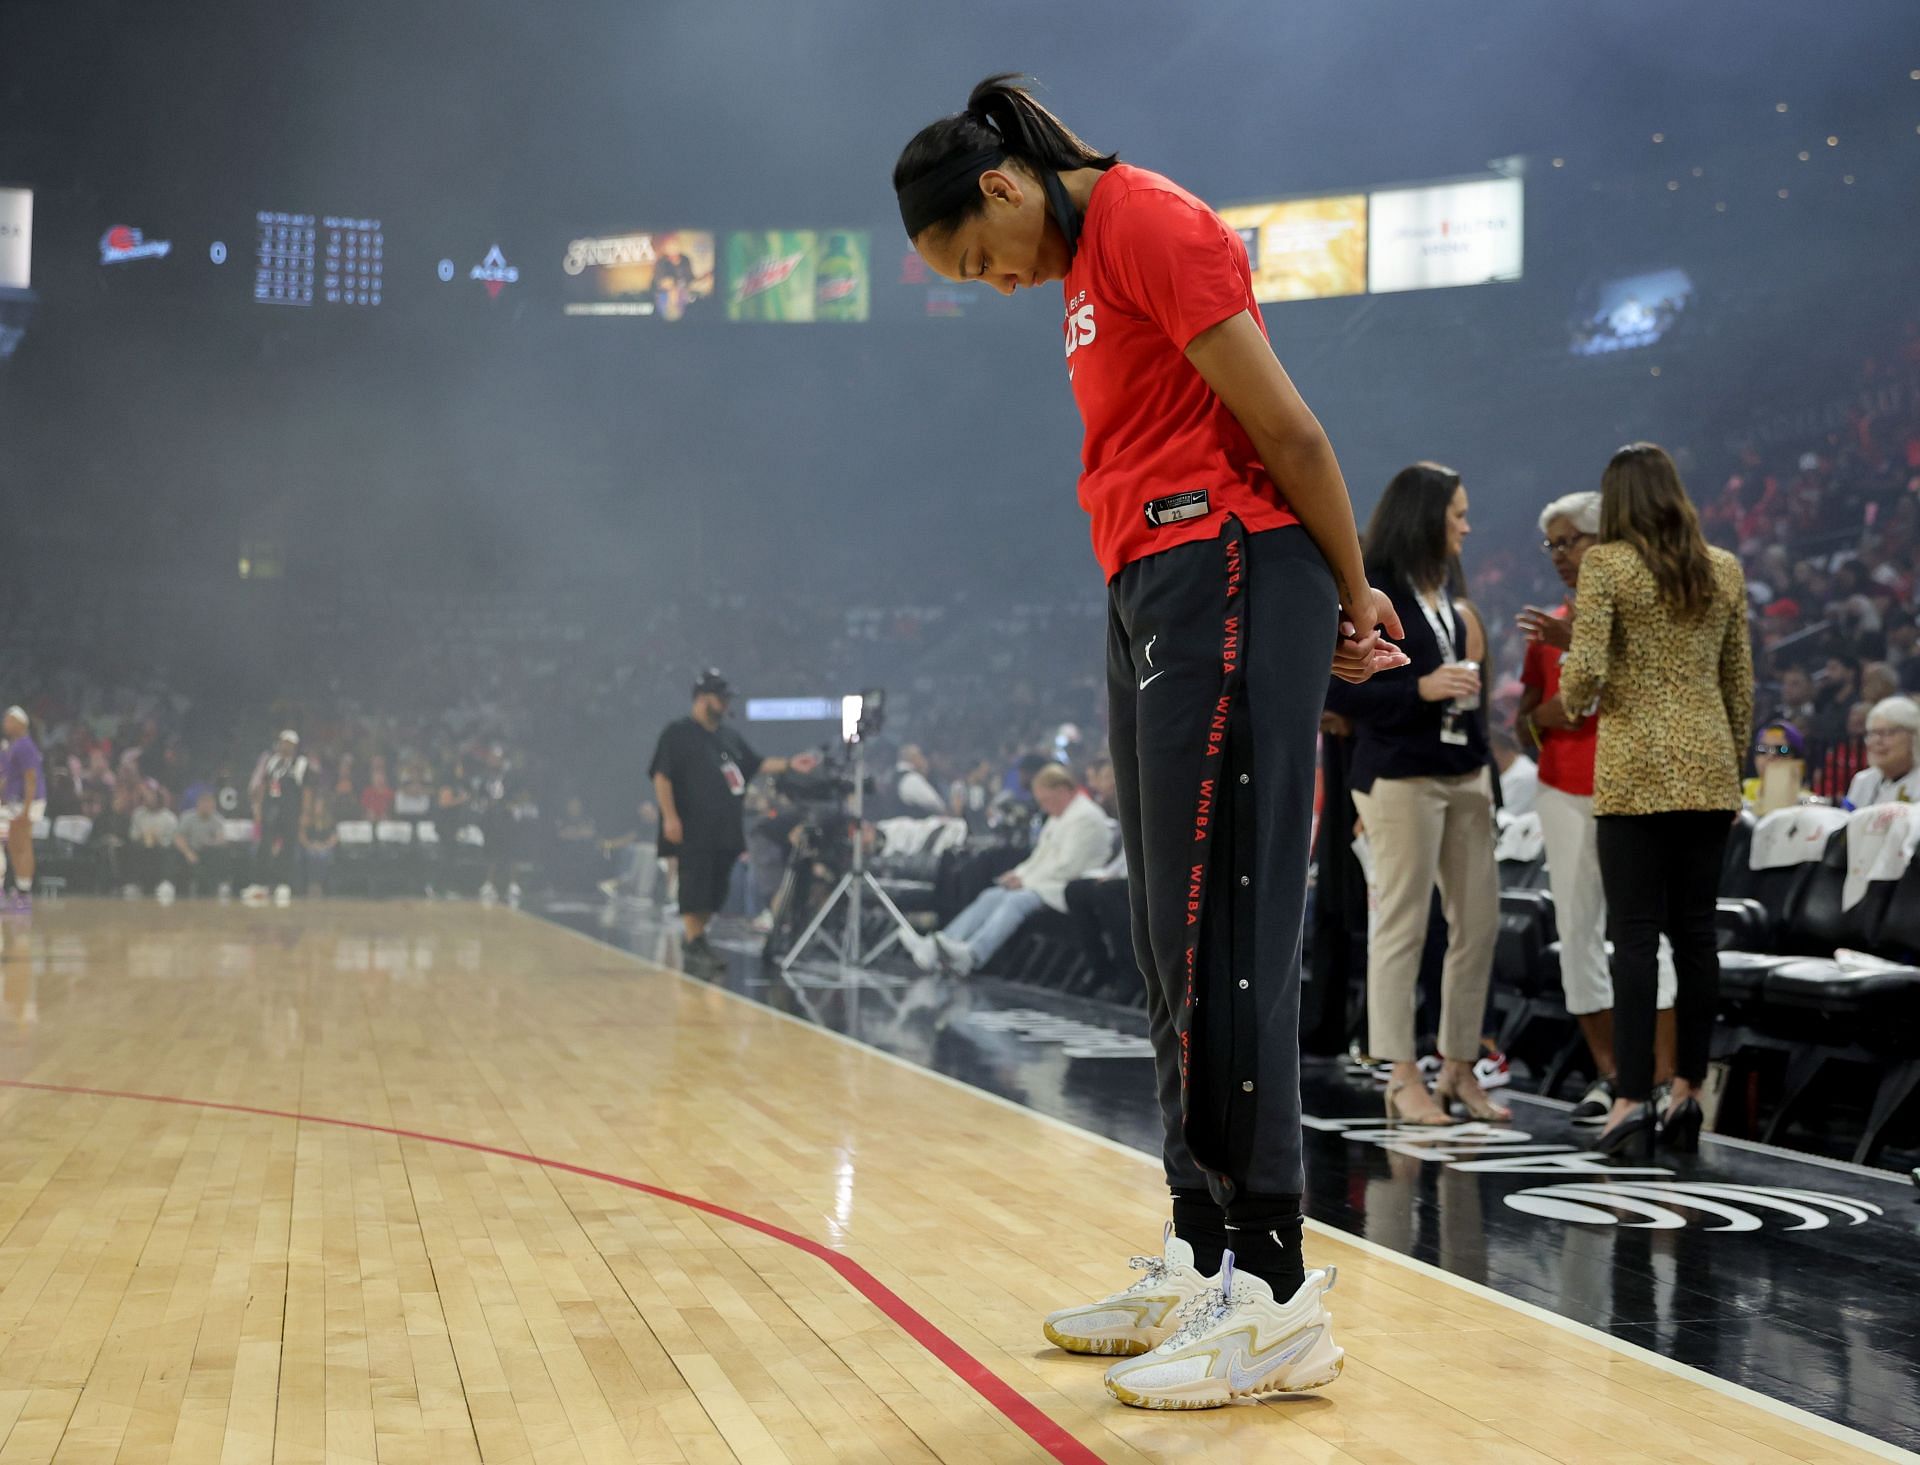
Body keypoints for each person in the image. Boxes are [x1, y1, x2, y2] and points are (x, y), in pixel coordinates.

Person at [893, 74, 1405, 1408]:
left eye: (975, 259)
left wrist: (1355, 597)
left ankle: (1278, 1294)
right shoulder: (1078, 263)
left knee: (1224, 932)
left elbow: (1288, 426)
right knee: (1169, 940)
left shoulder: (1153, 223)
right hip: (1150, 580)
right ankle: (1200, 1255)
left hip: (1234, 561)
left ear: (1001, 187)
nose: (991, 285)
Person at [1550, 443, 1752, 1156]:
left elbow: (1589, 671)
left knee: (1633, 937)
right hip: (1708, 768)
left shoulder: (1607, 564)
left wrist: (1568, 698)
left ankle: (1632, 1095)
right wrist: (1732, 763)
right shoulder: (1723, 567)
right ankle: (1689, 1092)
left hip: (1635, 769)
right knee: (1696, 936)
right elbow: (1740, 683)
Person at [1326, 464, 1507, 1128]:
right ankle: (1401, 1073)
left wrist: (1485, 764)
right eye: (1456, 513)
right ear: (1424, 516)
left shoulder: (1449, 593)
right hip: (1399, 773)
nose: (1465, 525)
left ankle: (1458, 1064)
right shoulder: (1374, 587)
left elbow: (1472, 692)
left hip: (1465, 770)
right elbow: (1337, 687)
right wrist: (1418, 689)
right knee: (1403, 923)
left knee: (1478, 924)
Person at [1518, 492, 1676, 1125]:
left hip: (1631, 787)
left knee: (1644, 935)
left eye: (1570, 541)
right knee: (1578, 932)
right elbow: (1529, 713)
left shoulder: (1644, 615)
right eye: (1551, 545)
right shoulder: (1545, 627)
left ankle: (1661, 1080)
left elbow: (1656, 687)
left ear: (1604, 538)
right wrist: (1544, 717)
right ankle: (1612, 1076)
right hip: (1561, 788)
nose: (1560, 555)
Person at [649, 670, 815, 964]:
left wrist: (791, 763)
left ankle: (699, 937)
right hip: (692, 826)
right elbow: (662, 777)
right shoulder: (677, 733)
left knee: (717, 886)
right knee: (695, 883)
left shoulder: (729, 737)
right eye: (720, 698)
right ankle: (694, 938)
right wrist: (670, 817)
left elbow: (758, 763)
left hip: (724, 828)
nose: (726, 704)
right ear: (702, 699)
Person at [900, 764, 1112, 975]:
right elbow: (1039, 858)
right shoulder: (1060, 816)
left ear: (1062, 791)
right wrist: (1018, 874)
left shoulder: (1086, 818)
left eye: (1046, 800)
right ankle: (942, 943)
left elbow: (1069, 866)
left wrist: (1026, 881)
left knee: (1015, 900)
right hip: (1045, 882)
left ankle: (973, 953)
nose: (1045, 807)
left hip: (1065, 886)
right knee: (992, 896)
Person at [245, 729, 309, 906]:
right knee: (265, 844)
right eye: (282, 742)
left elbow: (306, 791)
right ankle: (261, 883)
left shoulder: (301, 763)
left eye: (288, 743)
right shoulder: (271, 761)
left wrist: (304, 813)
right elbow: (264, 785)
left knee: (288, 846)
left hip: (291, 810)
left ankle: (283, 883)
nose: (284, 745)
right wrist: (258, 808)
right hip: (270, 808)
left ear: (294, 746)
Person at [0, 707, 44, 913]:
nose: (5, 723)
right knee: (15, 847)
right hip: (17, 802)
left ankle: (24, 894)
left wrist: (26, 809)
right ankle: (20, 891)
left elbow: (31, 778)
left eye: (8, 720)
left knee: (22, 846)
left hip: (27, 802)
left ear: (20, 723)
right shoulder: (14, 746)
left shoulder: (24, 745)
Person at [1846, 695, 1920, 806]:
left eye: (1887, 733)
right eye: (1872, 733)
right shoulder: (1863, 781)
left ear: (1913, 737)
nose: (1877, 741)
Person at [172, 789, 233, 898]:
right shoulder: (187, 817)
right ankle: (176, 888)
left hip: (207, 852)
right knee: (175, 853)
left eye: (210, 804)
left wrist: (212, 842)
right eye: (204, 803)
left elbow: (222, 839)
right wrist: (188, 853)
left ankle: (217, 885)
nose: (207, 806)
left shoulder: (217, 819)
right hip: (190, 850)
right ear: (198, 804)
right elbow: (178, 837)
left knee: (220, 853)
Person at [890, 745, 948, 817]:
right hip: (917, 825)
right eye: (920, 755)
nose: (923, 759)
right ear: (914, 758)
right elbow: (936, 804)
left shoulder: (894, 776)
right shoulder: (912, 778)